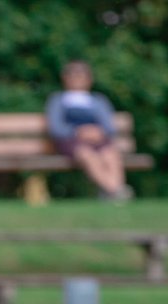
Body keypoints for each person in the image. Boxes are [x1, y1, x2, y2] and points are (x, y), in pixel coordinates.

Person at [44, 60, 131, 201]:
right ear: (65, 78)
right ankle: (116, 191)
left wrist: (97, 132)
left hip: (98, 140)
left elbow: (108, 127)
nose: (77, 79)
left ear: (89, 79)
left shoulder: (98, 100)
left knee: (111, 154)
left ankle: (113, 191)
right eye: (73, 75)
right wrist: (78, 132)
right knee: (87, 155)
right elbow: (56, 127)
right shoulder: (58, 100)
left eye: (81, 75)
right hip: (71, 142)